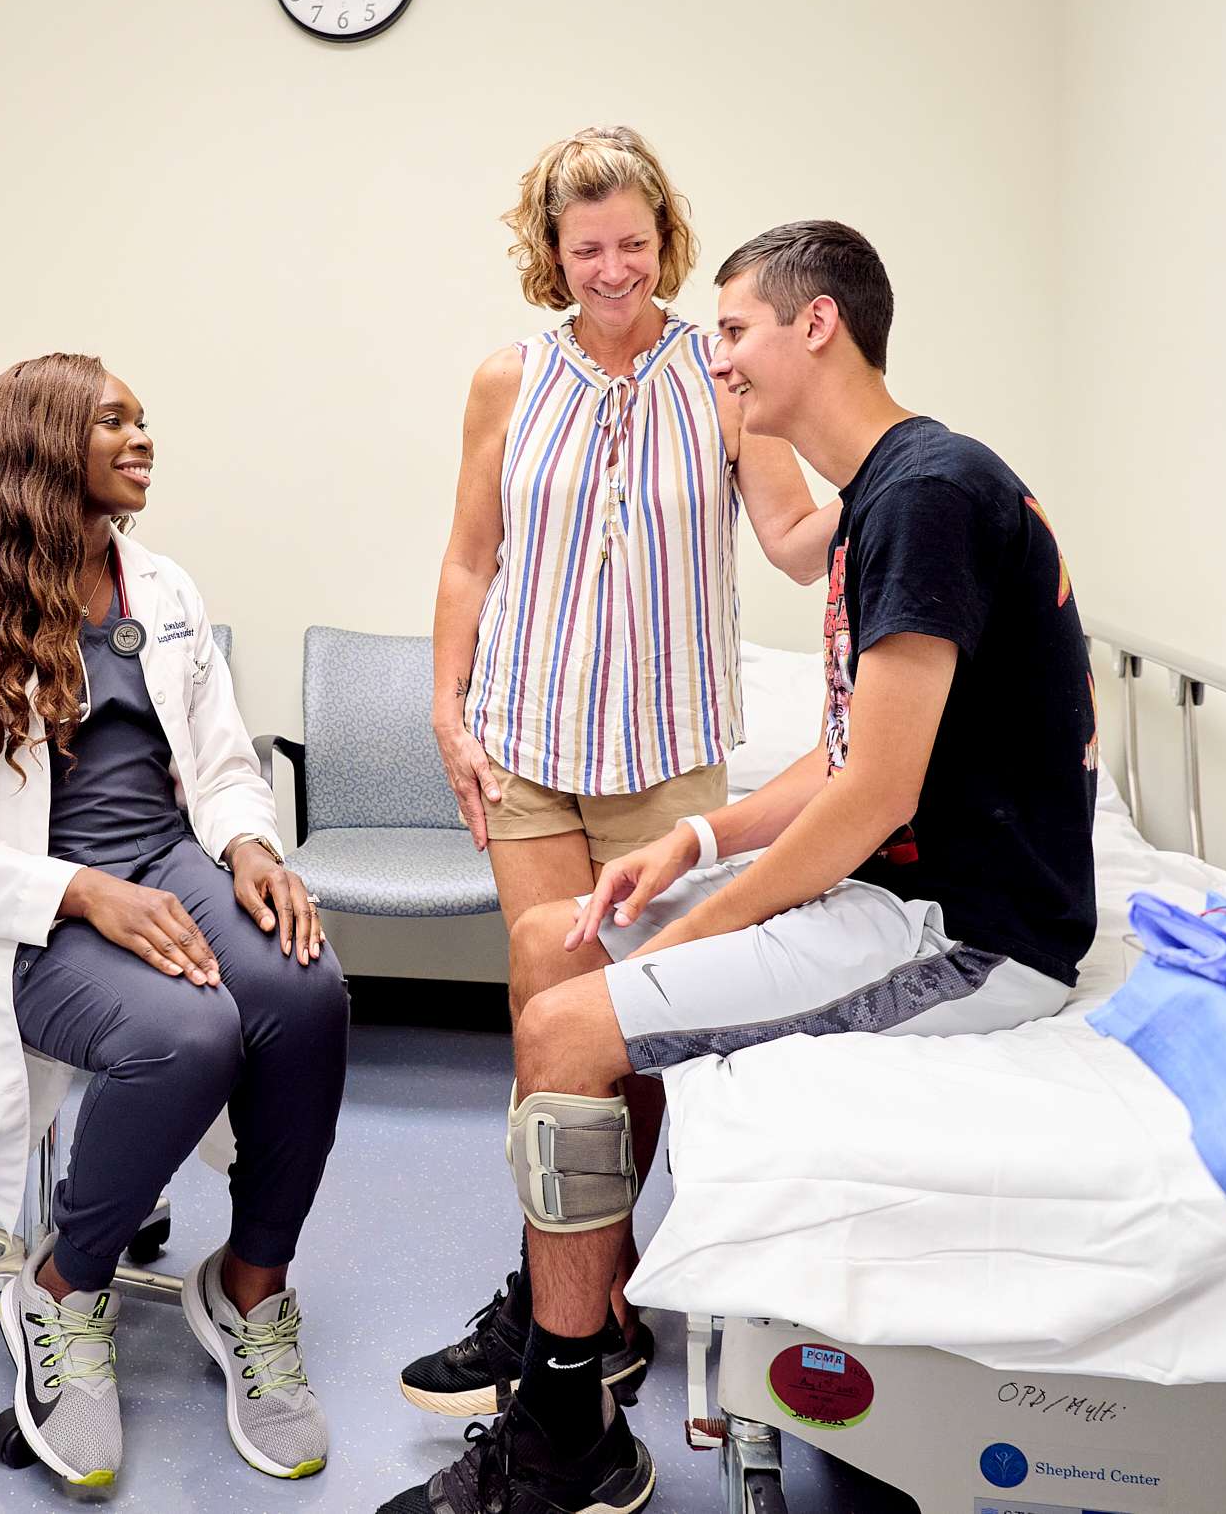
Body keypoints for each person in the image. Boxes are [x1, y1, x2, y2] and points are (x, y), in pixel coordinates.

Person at [382, 221, 1099, 1514]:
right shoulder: (900, 488)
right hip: (906, 898)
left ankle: (567, 1429)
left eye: (732, 330)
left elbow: (873, 793)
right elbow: (847, 760)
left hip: (964, 936)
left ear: (815, 323)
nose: (713, 359)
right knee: (568, 987)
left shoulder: (924, 496)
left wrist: (683, 941)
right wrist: (699, 842)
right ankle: (575, 1371)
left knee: (566, 1023)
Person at [409, 126, 837, 1419]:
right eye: (585, 247)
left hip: (661, 758)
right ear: (550, 251)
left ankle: (576, 1301)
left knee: (631, 1031)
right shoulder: (506, 377)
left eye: (634, 245)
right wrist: (447, 704)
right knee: (549, 1020)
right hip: (528, 745)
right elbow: (470, 558)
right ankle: (576, 1296)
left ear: (668, 240)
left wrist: (902, 481)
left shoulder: (721, 374)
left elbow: (791, 533)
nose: (611, 268)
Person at [0, 353, 349, 1491]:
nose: (143, 440)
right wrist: (79, 892)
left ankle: (248, 1288)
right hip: (31, 910)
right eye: (114, 423)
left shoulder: (163, 589)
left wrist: (247, 846)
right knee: (185, 1032)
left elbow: (223, 759)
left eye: (143, 420)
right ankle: (63, 1288)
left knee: (304, 988)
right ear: (42, 451)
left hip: (171, 863)